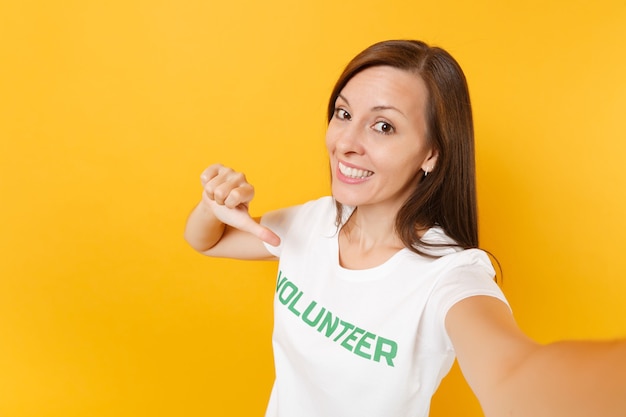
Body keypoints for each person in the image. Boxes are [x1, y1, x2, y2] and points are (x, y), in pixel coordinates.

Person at [184, 40, 626, 417]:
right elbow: (207, 240)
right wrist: (213, 205)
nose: (346, 143)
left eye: (383, 126)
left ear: (431, 154)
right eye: (342, 113)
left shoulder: (449, 276)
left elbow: (514, 377)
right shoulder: (314, 221)